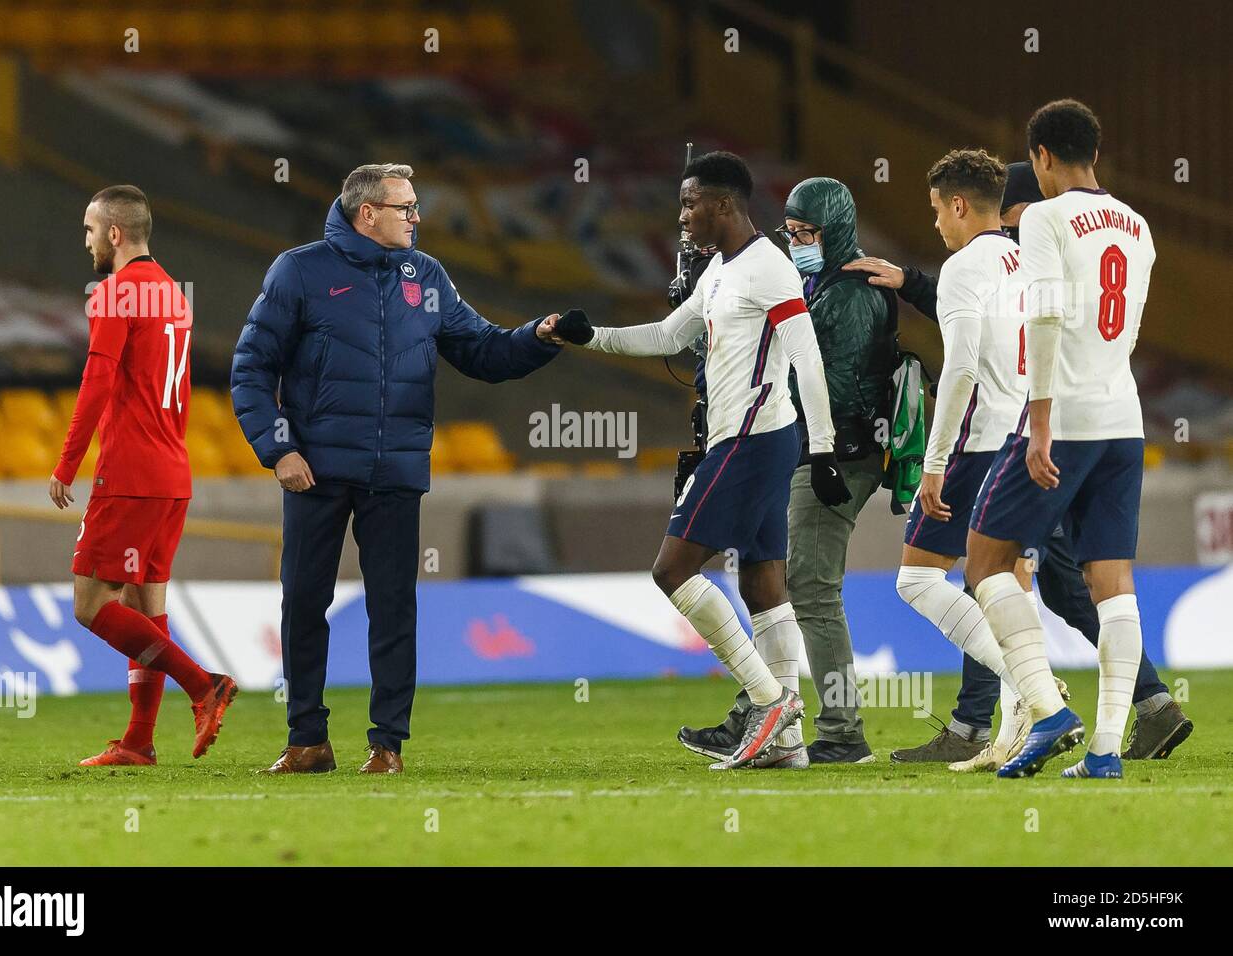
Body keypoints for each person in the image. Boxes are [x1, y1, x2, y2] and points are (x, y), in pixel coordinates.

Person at [845, 162, 1191, 766]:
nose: (932, 221)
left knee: (936, 577)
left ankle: (1038, 701)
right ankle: (1039, 723)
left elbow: (960, 368)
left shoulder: (970, 265)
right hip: (1055, 428)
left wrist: (934, 460)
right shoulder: (1031, 259)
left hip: (991, 440)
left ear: (959, 206)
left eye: (934, 209)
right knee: (1038, 580)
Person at [232, 164, 562, 775]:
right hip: (315, 470)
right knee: (305, 602)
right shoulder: (299, 270)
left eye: (414, 207)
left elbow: (482, 351)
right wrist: (279, 450)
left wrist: (537, 337)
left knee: (393, 607)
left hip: (395, 471)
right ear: (368, 214)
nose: (416, 218)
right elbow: (251, 367)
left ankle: (387, 745)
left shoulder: (425, 274)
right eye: (406, 207)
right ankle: (307, 739)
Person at [547, 151, 852, 770]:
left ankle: (769, 703)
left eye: (689, 204)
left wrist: (823, 449)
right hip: (750, 440)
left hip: (752, 440)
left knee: (671, 569)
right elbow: (667, 336)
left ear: (722, 204)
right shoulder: (718, 270)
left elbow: (808, 360)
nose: (681, 216)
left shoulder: (769, 268)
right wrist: (591, 338)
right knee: (763, 582)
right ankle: (786, 736)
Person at [677, 177, 898, 764]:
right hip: (809, 450)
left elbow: (834, 382)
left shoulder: (847, 293)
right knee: (779, 584)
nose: (797, 241)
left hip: (836, 455)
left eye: (807, 232)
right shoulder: (815, 283)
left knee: (811, 591)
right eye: (792, 232)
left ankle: (840, 731)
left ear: (835, 230)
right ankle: (769, 716)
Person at [966, 99, 1155, 779]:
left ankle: (1046, 710)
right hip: (1123, 421)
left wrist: (1040, 421)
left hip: (1063, 419)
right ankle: (1105, 750)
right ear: (1093, 154)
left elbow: (1044, 318)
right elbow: (1125, 329)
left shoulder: (1044, 217)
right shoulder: (1138, 226)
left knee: (984, 563)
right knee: (1112, 580)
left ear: (1041, 157)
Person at [50, 185, 238, 767]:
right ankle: (138, 741)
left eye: (88, 231)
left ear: (113, 233)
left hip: (129, 472)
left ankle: (203, 684)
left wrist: (67, 463)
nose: (85, 242)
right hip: (172, 471)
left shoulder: (115, 294)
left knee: (88, 602)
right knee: (144, 598)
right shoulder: (174, 297)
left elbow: (97, 383)